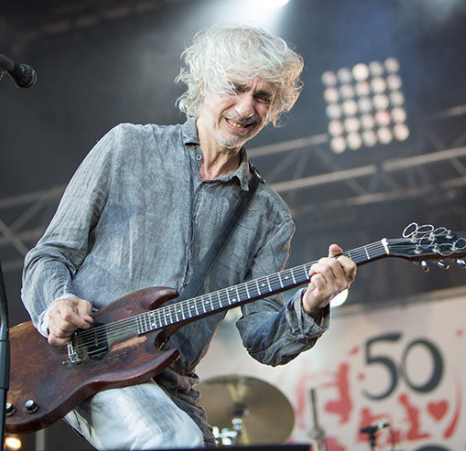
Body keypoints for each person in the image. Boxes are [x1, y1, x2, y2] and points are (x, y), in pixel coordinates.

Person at [21, 22, 357, 449]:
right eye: (234, 88)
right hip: (87, 359)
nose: (246, 108)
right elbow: (49, 256)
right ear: (201, 85)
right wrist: (55, 304)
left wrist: (312, 304)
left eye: (262, 97)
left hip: (170, 382)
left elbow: (263, 341)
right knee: (170, 439)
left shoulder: (268, 216)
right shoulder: (127, 148)